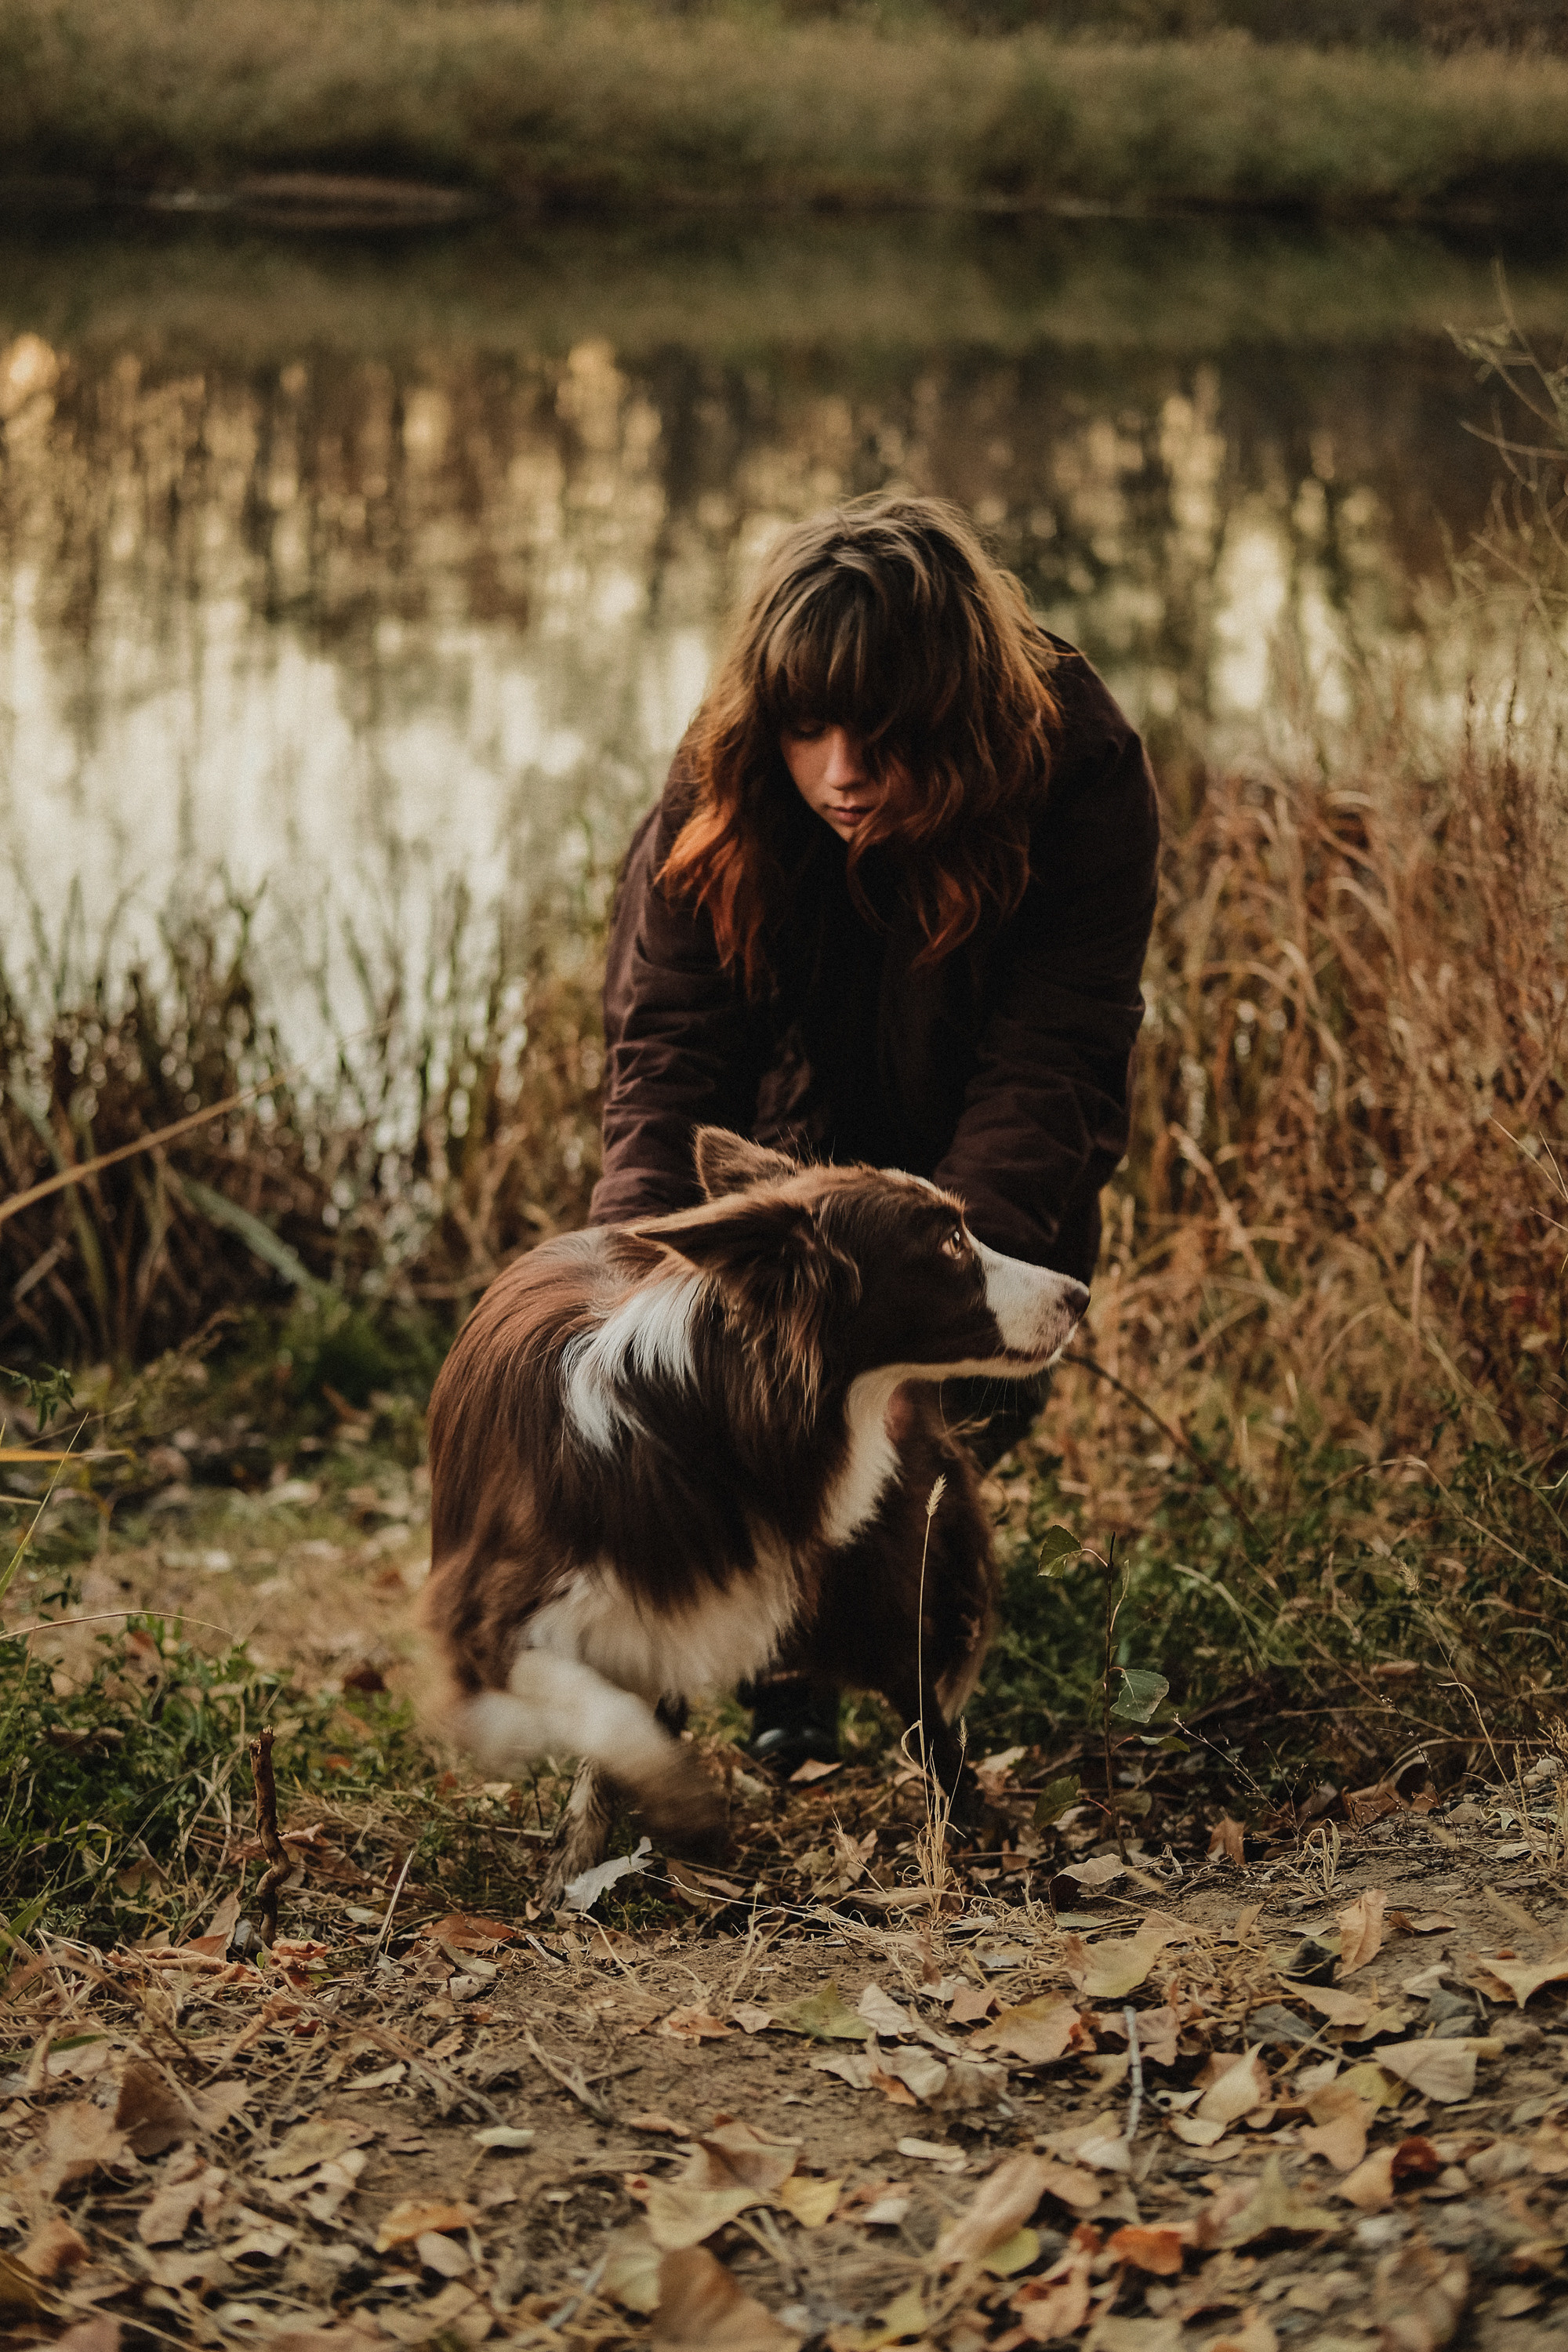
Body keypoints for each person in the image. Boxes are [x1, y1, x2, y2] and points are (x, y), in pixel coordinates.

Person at [587, 492, 1160, 1767]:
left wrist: (937, 1316)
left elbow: (1054, 1065)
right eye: (809, 729)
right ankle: (776, 1675)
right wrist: (624, 1293)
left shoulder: (1080, 770)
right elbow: (668, 1055)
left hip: (980, 1169)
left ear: (957, 712)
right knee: (752, 1395)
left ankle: (888, 1650)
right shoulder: (728, 772)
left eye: (884, 733)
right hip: (778, 1146)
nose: (841, 771)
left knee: (923, 1430)